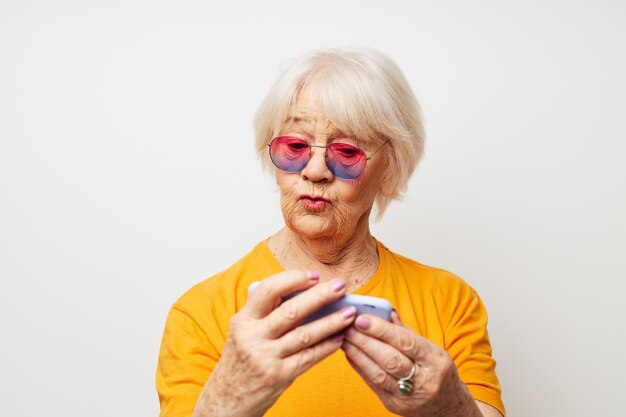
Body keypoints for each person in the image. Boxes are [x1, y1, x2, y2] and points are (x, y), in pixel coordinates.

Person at [156, 48, 505, 417]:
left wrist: (446, 406)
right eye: (295, 146)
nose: (316, 170)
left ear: (391, 167)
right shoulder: (199, 313)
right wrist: (228, 402)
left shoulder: (449, 301)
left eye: (346, 151)